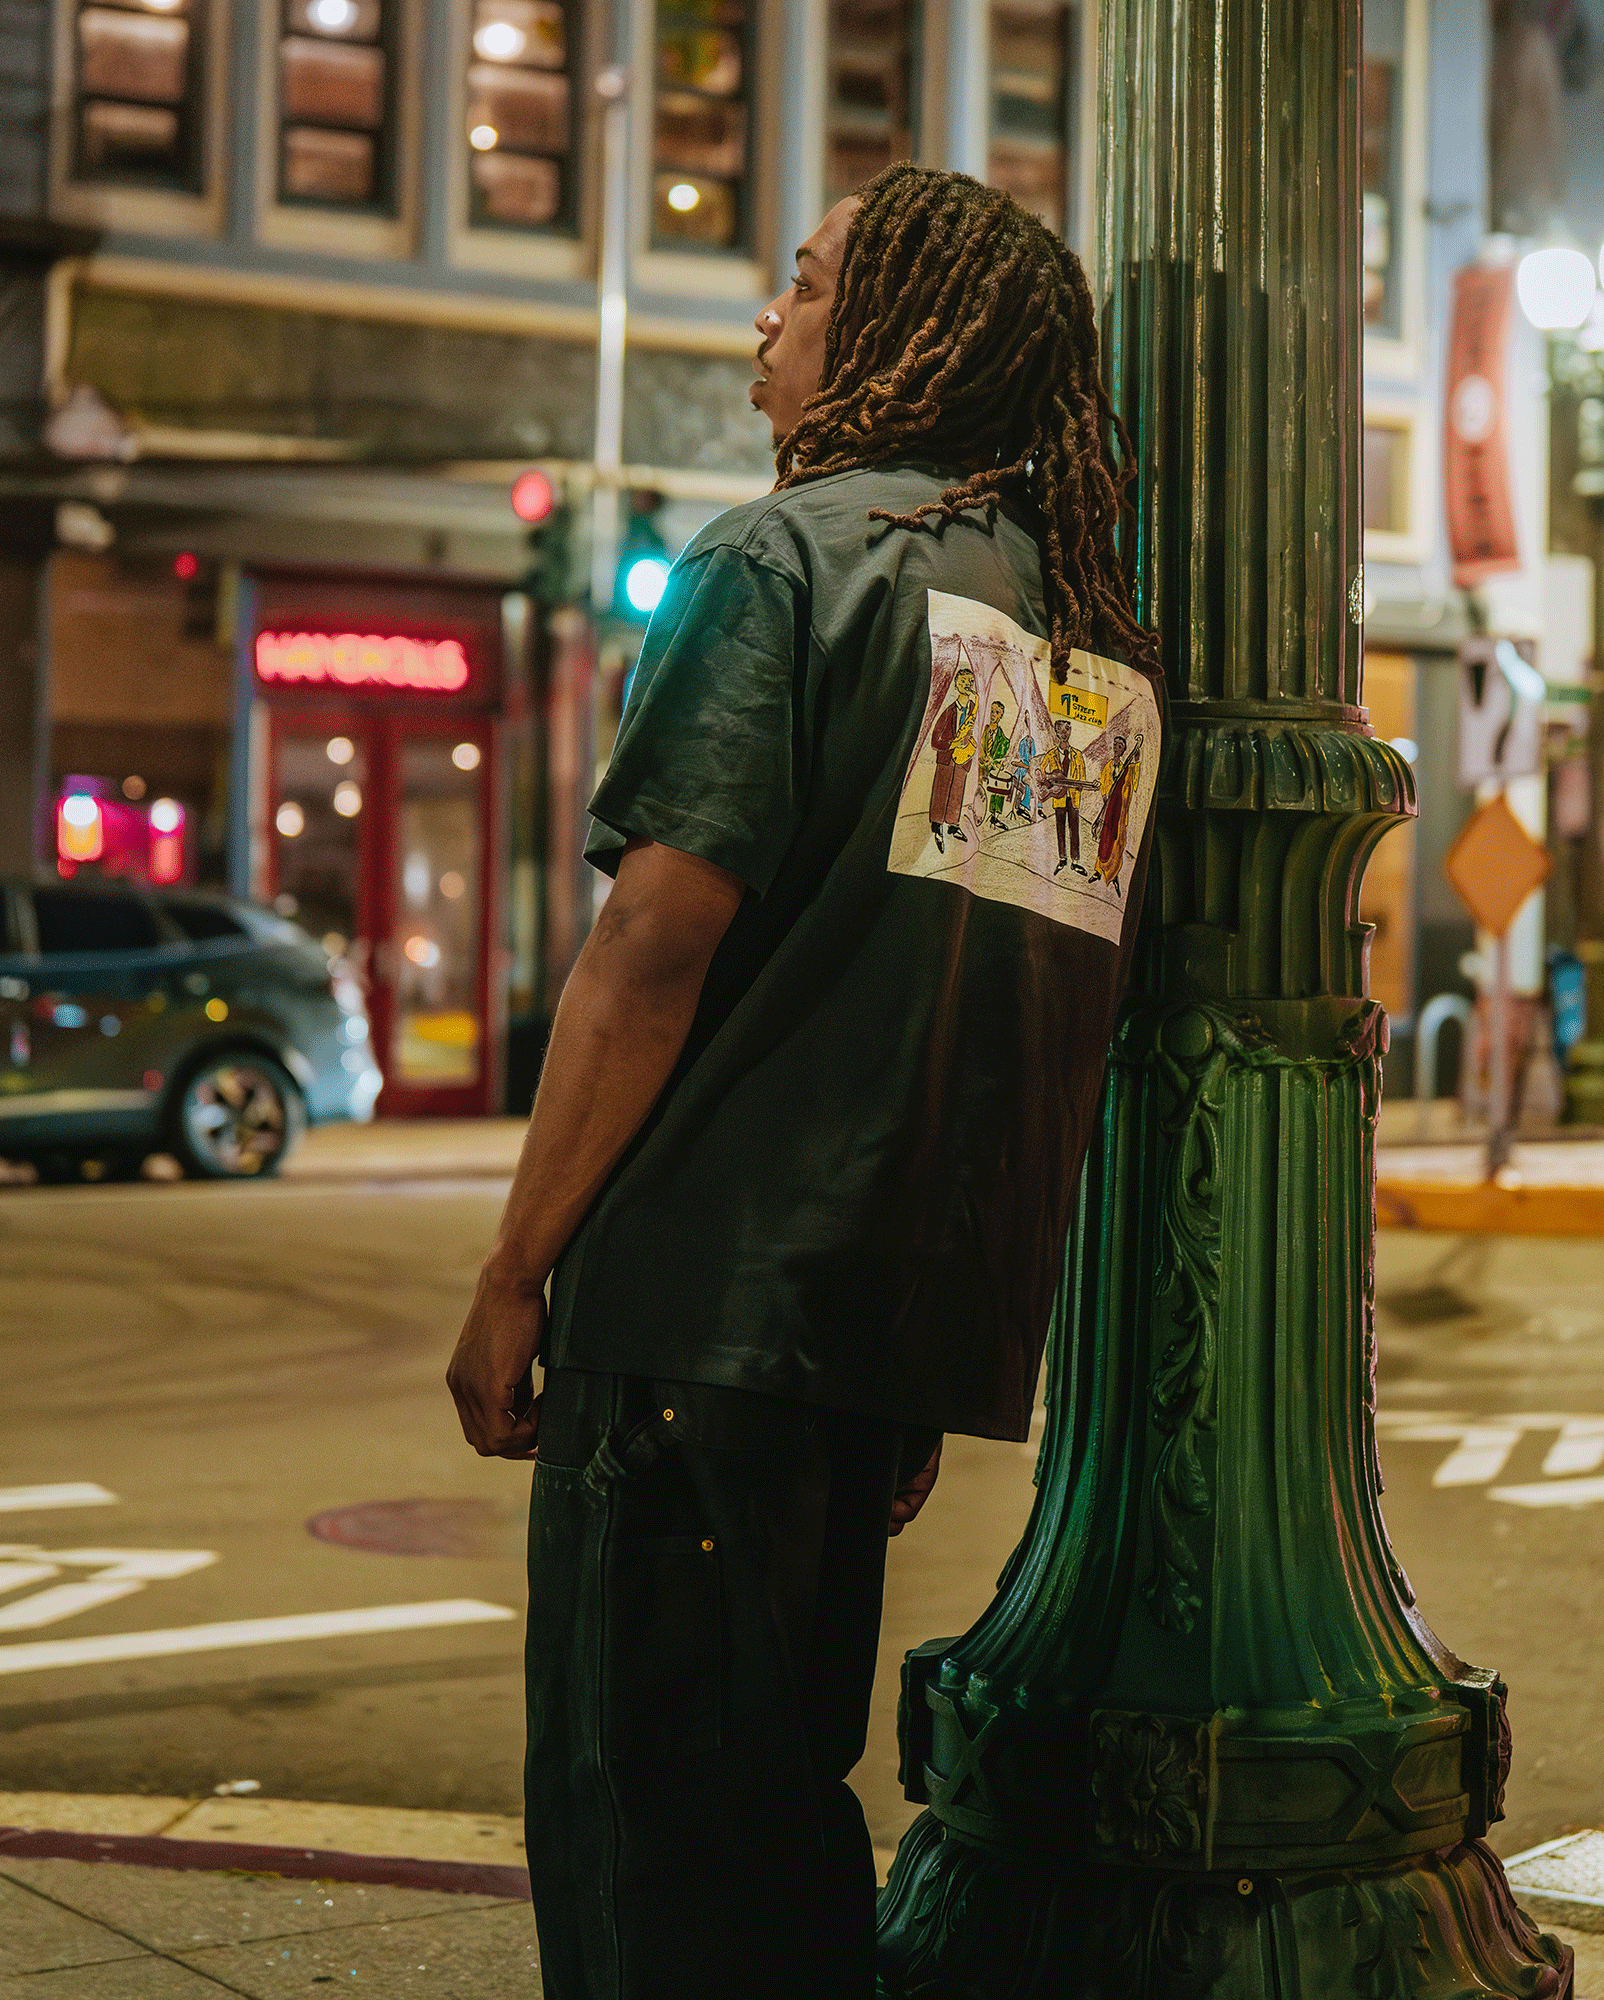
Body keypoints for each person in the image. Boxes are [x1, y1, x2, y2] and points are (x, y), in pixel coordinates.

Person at [445, 162, 1156, 2000]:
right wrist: (911, 1353)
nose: (769, 321)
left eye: (809, 284)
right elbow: (994, 1015)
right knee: (779, 1810)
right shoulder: (1077, 643)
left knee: (650, 1838)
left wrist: (517, 1268)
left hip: (695, 1308)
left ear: (906, 334)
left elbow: (653, 945)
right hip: (882, 1327)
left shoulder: (779, 562)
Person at [928, 663, 977, 847]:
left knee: (957, 791)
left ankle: (953, 825)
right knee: (942, 790)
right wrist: (952, 744)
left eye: (970, 681)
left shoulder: (974, 707)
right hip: (948, 757)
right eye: (963, 681)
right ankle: (937, 826)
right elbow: (935, 741)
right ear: (956, 684)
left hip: (963, 758)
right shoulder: (949, 711)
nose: (967, 684)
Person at [1091, 729, 1144, 895]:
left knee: (1117, 842)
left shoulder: (1125, 768)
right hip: (1109, 809)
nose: (1116, 748)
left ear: (1123, 750)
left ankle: (1113, 874)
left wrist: (1135, 761)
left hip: (1119, 810)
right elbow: (1105, 781)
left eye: (1120, 746)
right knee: (1104, 839)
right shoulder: (1109, 766)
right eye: (1115, 745)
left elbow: (1132, 782)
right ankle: (1098, 870)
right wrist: (1106, 795)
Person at [1039, 717, 1088, 874]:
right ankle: (1062, 858)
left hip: (1072, 797)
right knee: (1060, 827)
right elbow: (1039, 772)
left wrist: (1080, 785)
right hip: (1058, 797)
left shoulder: (1077, 755)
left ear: (1070, 732)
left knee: (1074, 827)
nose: (1064, 734)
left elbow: (1081, 776)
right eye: (1060, 731)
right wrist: (1048, 785)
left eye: (1066, 730)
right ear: (1056, 733)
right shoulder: (1051, 754)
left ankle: (1075, 860)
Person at [980, 697, 1012, 828]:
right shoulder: (982, 730)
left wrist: (994, 762)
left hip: (992, 769)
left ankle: (994, 816)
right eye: (992, 711)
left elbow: (1001, 758)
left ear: (1001, 716)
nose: (993, 715)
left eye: (997, 712)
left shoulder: (1004, 740)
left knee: (999, 784)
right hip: (980, 767)